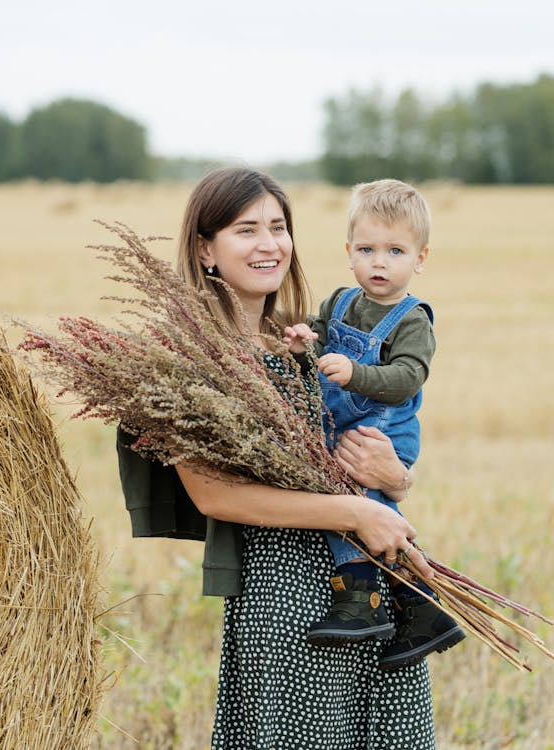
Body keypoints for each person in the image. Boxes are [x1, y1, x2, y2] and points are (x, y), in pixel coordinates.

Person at [117, 167, 437, 748]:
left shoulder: (306, 339)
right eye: (246, 230)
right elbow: (213, 494)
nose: (269, 244)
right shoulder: (185, 363)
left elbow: (366, 442)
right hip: (287, 592)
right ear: (205, 249)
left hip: (374, 581)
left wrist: (397, 478)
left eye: (278, 226)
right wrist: (355, 515)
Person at [284, 179, 466, 671]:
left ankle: (361, 601)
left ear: (420, 259)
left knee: (360, 511)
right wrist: (308, 339)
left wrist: (355, 372)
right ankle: (422, 609)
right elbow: (322, 338)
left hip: (383, 435)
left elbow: (408, 378)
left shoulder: (413, 321)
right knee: (362, 510)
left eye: (394, 251)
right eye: (367, 249)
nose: (379, 262)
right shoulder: (340, 302)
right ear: (349, 252)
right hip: (343, 431)